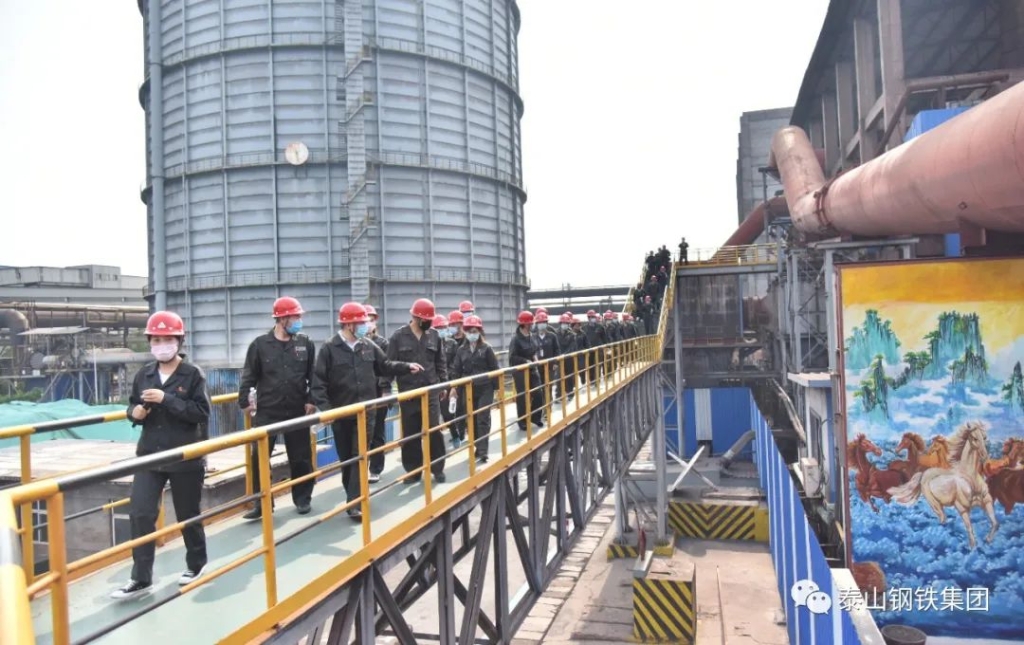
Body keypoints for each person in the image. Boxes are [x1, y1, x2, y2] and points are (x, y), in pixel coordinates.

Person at [111, 311, 210, 600]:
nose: (161, 345)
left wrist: (168, 399)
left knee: (187, 513)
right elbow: (132, 407)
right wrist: (135, 413)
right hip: (149, 455)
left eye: (167, 339)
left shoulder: (193, 375)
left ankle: (196, 564)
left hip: (184, 455)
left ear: (179, 341)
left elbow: (201, 412)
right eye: (156, 340)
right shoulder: (144, 375)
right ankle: (140, 578)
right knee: (141, 513)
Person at [311, 303, 421, 519]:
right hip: (341, 414)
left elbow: (385, 365)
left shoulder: (368, 345)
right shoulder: (329, 349)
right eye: (360, 322)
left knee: (359, 455)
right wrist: (327, 410)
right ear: (348, 324)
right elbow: (319, 383)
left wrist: (406, 366)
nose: (365, 326)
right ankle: (353, 496)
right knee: (347, 458)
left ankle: (355, 502)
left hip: (366, 413)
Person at [238, 296, 317, 520]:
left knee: (301, 457)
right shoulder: (260, 345)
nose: (299, 321)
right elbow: (249, 375)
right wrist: (244, 401)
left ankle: (303, 499)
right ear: (282, 319)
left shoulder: (305, 343)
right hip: (268, 410)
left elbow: (313, 375)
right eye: (295, 317)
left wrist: (311, 399)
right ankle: (261, 504)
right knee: (259, 458)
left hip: (296, 409)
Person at [387, 298, 448, 483]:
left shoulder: (434, 336)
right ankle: (413, 472)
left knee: (434, 431)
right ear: (416, 318)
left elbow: (440, 362)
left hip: (430, 392)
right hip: (409, 394)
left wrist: (444, 384)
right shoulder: (398, 337)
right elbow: (389, 364)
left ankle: (437, 468)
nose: (429, 323)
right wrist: (385, 388)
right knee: (411, 434)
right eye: (426, 320)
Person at [449, 315, 499, 463]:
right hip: (468, 389)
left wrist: (497, 389)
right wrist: (454, 388)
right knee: (471, 418)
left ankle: (483, 451)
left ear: (479, 332)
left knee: (483, 418)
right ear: (465, 332)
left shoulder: (486, 348)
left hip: (485, 388)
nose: (472, 334)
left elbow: (495, 369)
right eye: (469, 331)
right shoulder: (461, 350)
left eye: (474, 331)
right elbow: (456, 370)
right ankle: (477, 445)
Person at [363, 304, 389, 484]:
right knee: (360, 434)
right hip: (359, 396)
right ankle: (360, 469)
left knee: (377, 432)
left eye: (370, 320)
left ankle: (375, 468)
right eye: (364, 320)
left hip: (377, 394)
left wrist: (385, 391)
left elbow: (387, 368)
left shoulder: (383, 344)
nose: (368, 324)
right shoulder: (353, 344)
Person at [508, 310, 545, 431]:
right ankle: (522, 421)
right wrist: (525, 361)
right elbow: (512, 358)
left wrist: (535, 358)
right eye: (530, 323)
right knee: (523, 396)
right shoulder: (515, 340)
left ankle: (535, 417)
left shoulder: (532, 336)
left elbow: (534, 350)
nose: (532, 325)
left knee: (538, 393)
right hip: (520, 371)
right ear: (525, 324)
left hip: (532, 369)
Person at [434, 314, 463, 447]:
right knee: (433, 416)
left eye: (443, 328)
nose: (441, 330)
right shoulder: (429, 345)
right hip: (434, 383)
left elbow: (455, 364)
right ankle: (435, 444)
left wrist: (450, 380)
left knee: (447, 413)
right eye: (438, 328)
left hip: (447, 382)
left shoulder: (452, 344)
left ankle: (455, 434)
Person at [446, 310, 468, 445]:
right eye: (451, 324)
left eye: (455, 324)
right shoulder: (449, 341)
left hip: (465, 377)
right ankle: (459, 433)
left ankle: (463, 432)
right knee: (454, 406)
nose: (453, 326)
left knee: (463, 406)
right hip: (452, 378)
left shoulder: (468, 339)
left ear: (461, 324)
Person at [555, 312, 577, 401]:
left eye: (566, 323)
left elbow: (572, 347)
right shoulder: (555, 334)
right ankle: (559, 395)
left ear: (568, 324)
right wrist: (558, 355)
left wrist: (564, 354)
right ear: (560, 324)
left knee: (569, 377)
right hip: (559, 359)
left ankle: (570, 393)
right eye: (563, 323)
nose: (564, 325)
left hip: (568, 359)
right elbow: (555, 346)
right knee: (559, 377)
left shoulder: (572, 335)